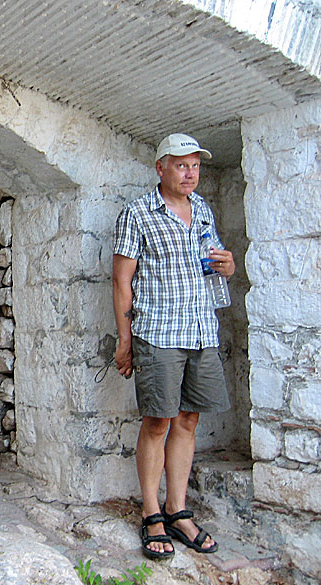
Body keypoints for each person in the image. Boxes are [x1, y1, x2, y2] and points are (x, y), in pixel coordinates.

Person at [112, 133, 234, 560]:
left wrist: (229, 266)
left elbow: (213, 265)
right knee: (158, 422)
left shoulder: (201, 209)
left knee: (187, 421)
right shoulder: (138, 213)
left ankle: (178, 510)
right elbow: (121, 280)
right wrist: (124, 341)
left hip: (201, 330)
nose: (190, 173)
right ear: (160, 167)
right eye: (181, 165)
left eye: (195, 166)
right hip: (159, 334)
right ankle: (151, 514)